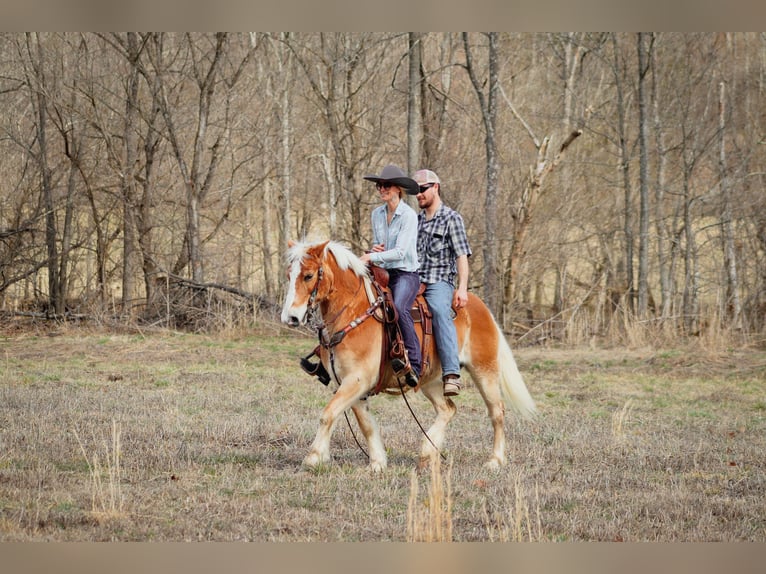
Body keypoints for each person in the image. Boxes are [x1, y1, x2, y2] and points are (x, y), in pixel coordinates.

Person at [412, 169, 472, 397]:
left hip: (439, 281)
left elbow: (461, 256)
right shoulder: (415, 220)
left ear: (435, 187)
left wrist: (462, 287)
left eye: (422, 189)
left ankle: (451, 374)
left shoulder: (451, 218)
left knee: (438, 309)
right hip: (415, 279)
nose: (418, 194)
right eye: (415, 191)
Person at [361, 165, 421, 388]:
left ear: (398, 188)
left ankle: (415, 364)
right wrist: (375, 251)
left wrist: (370, 258)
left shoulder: (409, 216)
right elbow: (383, 247)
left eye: (385, 185)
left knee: (399, 307)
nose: (381, 189)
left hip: (405, 273)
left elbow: (401, 253)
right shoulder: (376, 214)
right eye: (379, 186)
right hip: (383, 270)